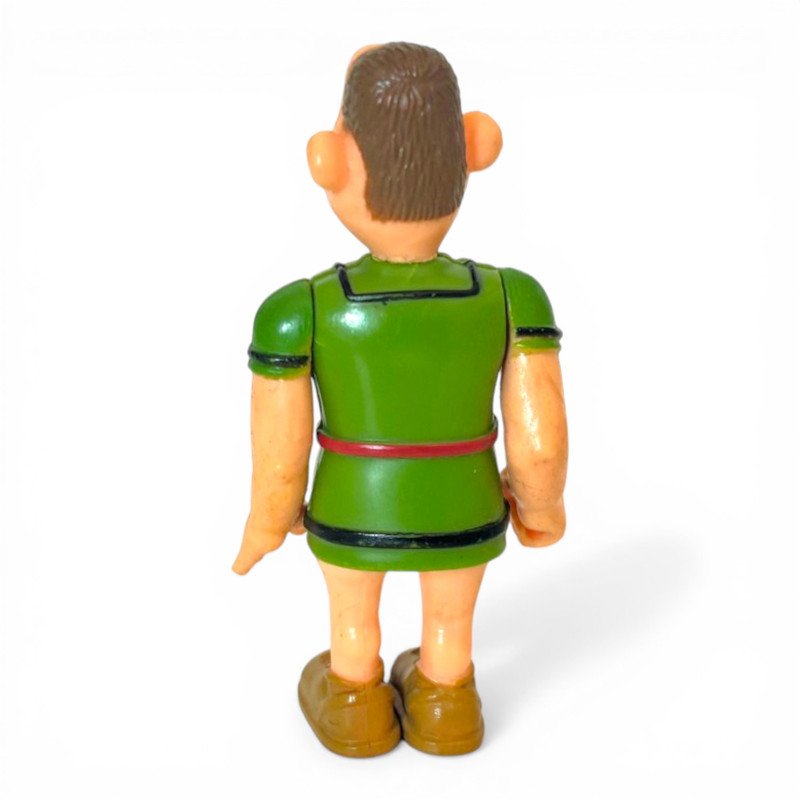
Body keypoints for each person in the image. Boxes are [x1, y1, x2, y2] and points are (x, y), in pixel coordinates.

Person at [232, 42, 568, 757]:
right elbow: (538, 439)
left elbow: (281, 455)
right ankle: (447, 703)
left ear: (334, 161)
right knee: (450, 624)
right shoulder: (511, 297)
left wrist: (267, 521)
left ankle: (356, 703)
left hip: (353, 512)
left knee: (353, 623)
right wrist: (541, 506)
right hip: (465, 509)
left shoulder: (300, 311)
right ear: (474, 147)